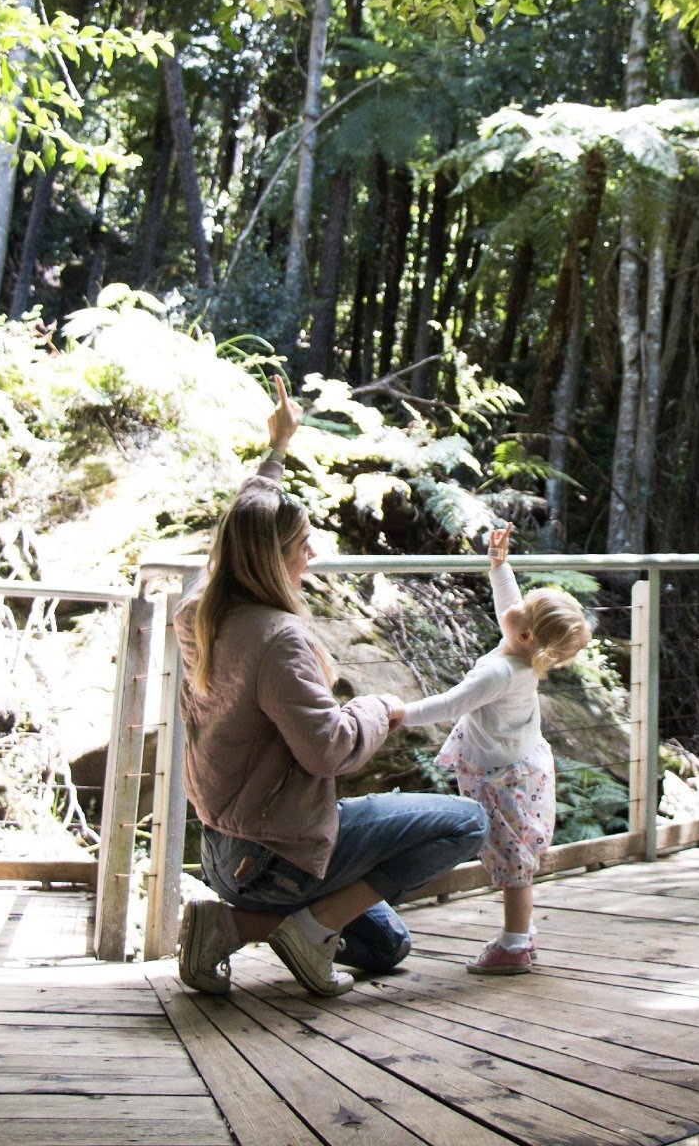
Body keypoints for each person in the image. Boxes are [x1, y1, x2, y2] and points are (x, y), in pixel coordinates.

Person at [174, 375, 488, 999]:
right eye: (302, 543)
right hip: (274, 855)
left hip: (224, 850)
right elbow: (327, 751)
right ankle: (261, 924)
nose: (313, 551)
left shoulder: (201, 612)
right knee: (469, 822)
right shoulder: (278, 638)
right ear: (270, 558)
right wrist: (378, 708)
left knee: (386, 945)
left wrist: (277, 450)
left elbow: (245, 521)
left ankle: (257, 923)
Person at [397, 523, 591, 976]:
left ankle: (514, 944)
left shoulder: (499, 673)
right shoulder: (523, 652)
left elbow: (450, 704)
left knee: (511, 862)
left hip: (503, 777)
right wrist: (498, 564)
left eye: (523, 609)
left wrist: (398, 714)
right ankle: (521, 931)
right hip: (522, 766)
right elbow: (511, 608)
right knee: (517, 858)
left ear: (526, 635)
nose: (514, 605)